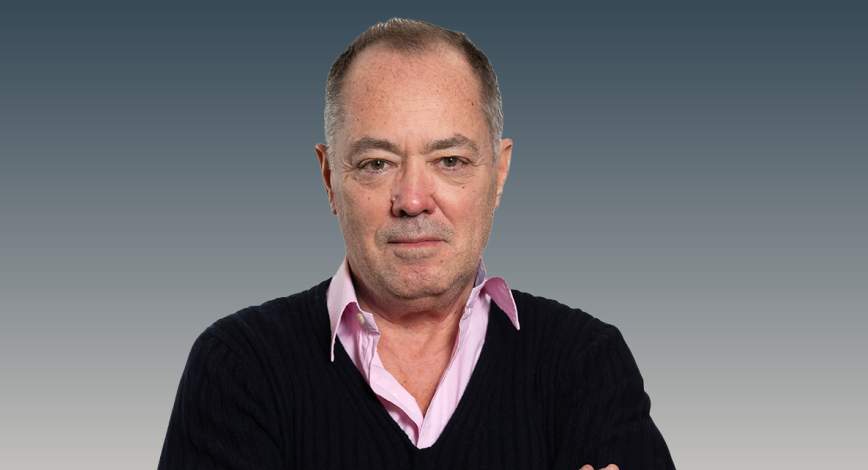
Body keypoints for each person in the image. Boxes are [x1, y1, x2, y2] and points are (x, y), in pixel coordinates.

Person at [158, 18, 674, 470]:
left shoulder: (587, 364)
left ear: (499, 174)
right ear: (329, 178)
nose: (412, 200)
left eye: (450, 161)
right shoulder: (238, 368)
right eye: (376, 163)